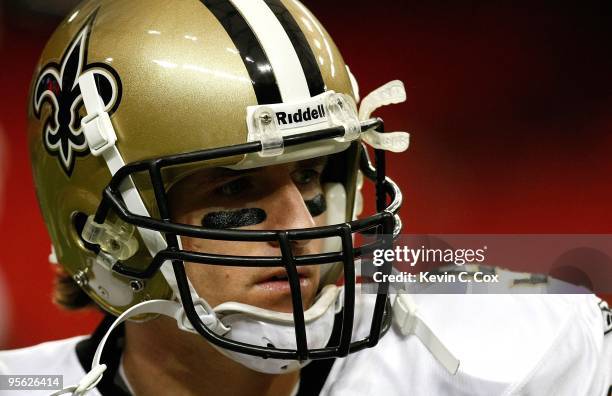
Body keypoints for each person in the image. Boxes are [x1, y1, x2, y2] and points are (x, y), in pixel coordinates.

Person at [1, 1, 610, 395]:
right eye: (235, 186)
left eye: (315, 175)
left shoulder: (511, 352)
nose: (304, 227)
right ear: (102, 231)